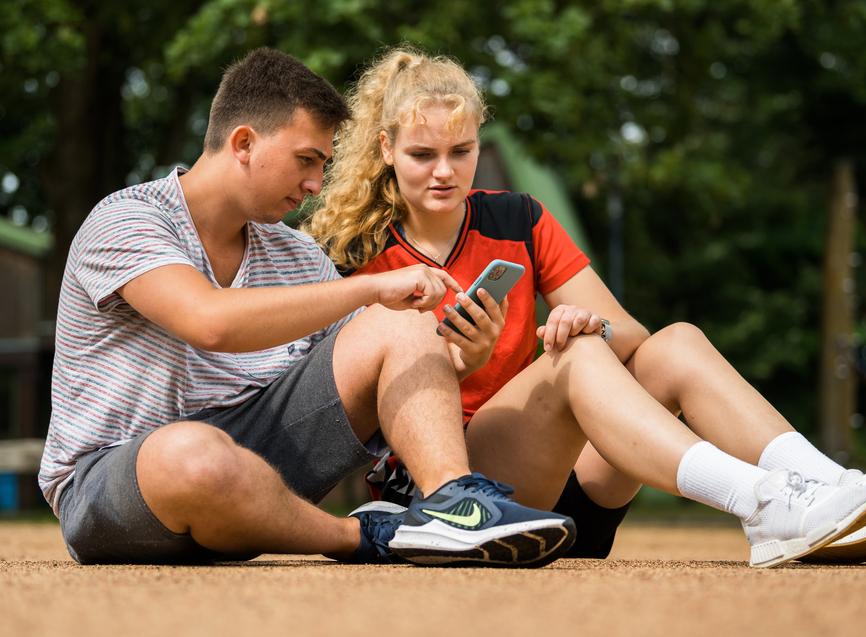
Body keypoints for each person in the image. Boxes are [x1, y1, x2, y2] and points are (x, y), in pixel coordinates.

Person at [308, 46, 866, 566]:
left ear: (480, 140)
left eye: (461, 151)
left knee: (671, 341)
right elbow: (345, 406)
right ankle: (763, 504)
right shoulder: (351, 251)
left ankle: (834, 488)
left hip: (566, 485)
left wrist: (581, 323)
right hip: (457, 500)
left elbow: (631, 335)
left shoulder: (516, 217)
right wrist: (455, 361)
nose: (445, 171)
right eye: (423, 155)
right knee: (573, 360)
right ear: (387, 148)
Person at [37, 47, 578, 568]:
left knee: (397, 322)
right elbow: (210, 322)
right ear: (244, 142)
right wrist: (368, 288)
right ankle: (366, 535)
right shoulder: (127, 219)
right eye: (306, 160)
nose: (316, 184)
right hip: (118, 483)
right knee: (192, 454)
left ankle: (452, 506)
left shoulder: (295, 252)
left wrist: (466, 360)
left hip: (261, 473)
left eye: (322, 164)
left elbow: (383, 367)